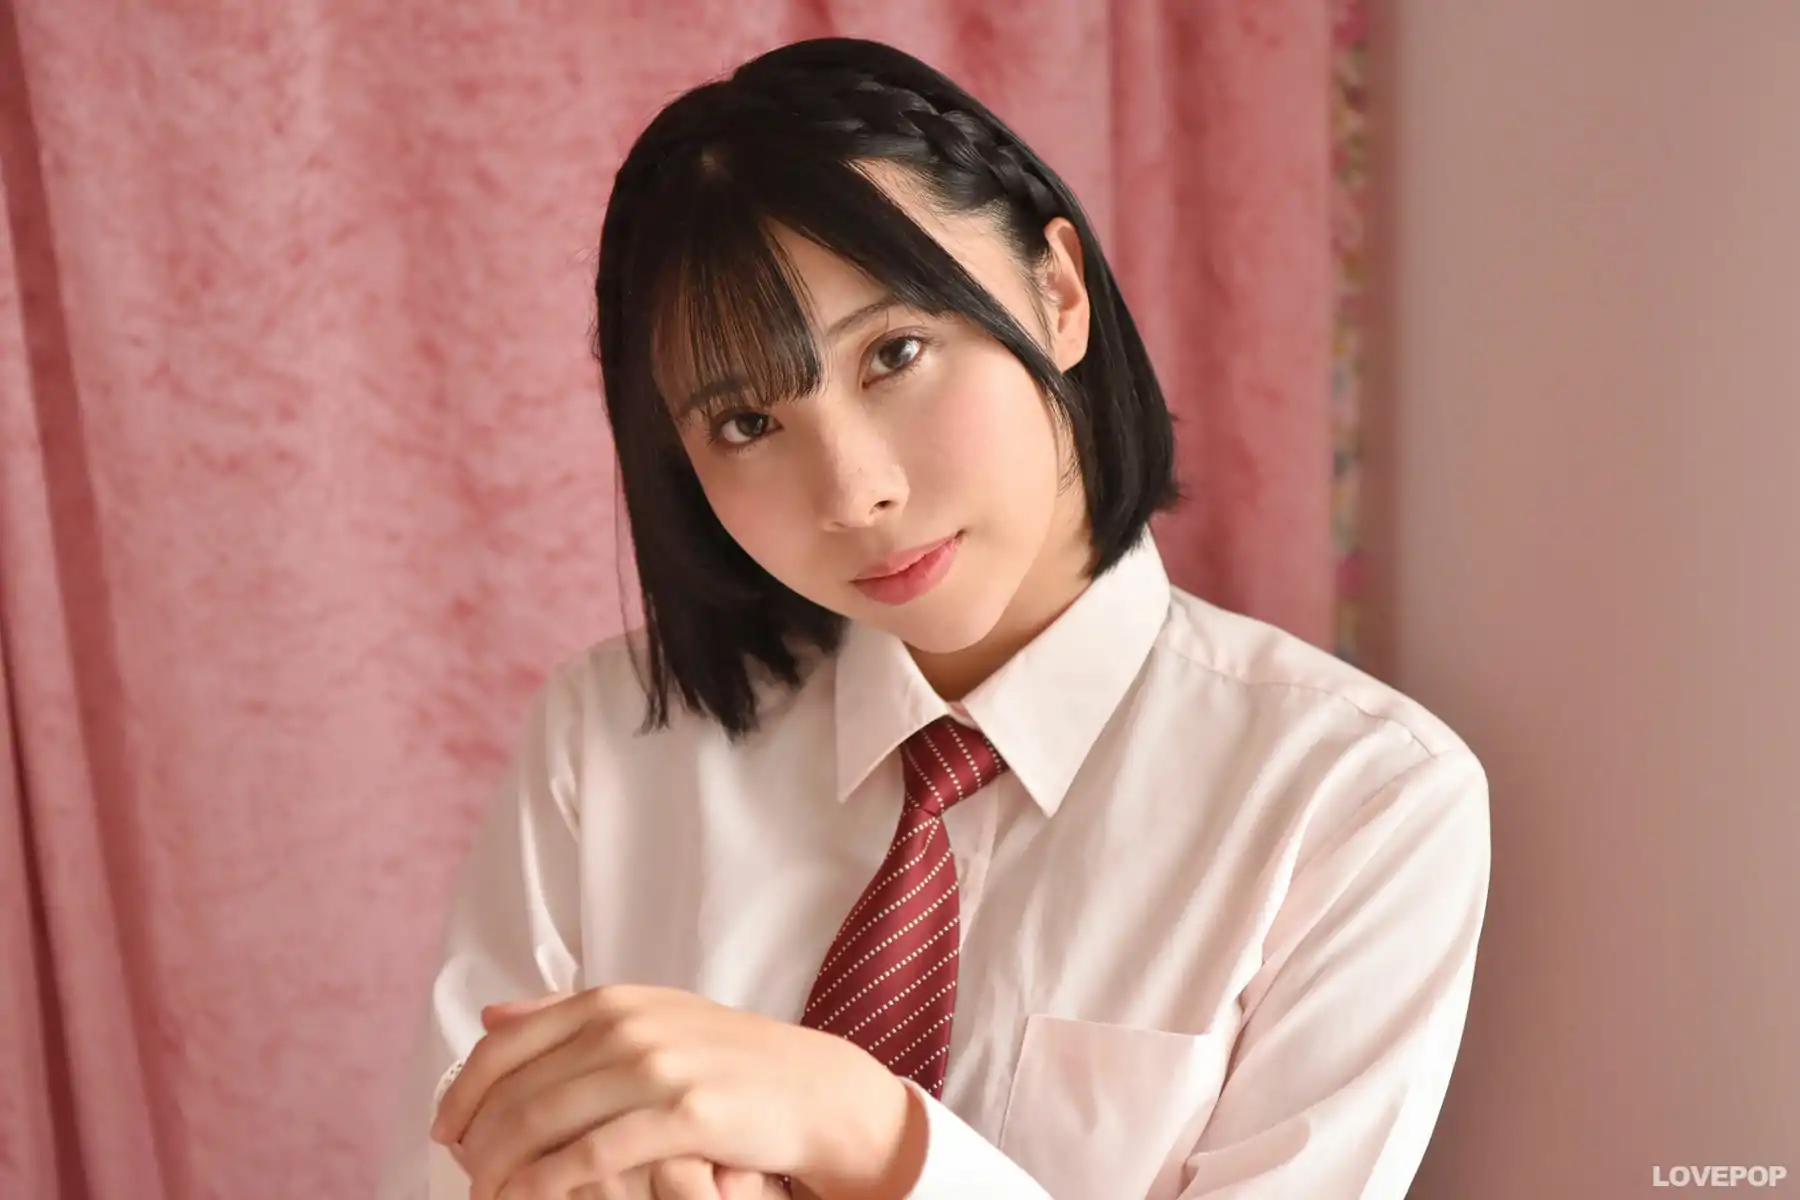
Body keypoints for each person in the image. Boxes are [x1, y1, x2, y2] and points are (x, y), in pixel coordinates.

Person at [376, 35, 1491, 1200]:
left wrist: (866, 1130)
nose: (854, 492)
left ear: (1059, 294)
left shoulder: (1356, 799)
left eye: (895, 353)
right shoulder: (607, 741)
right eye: (747, 424)